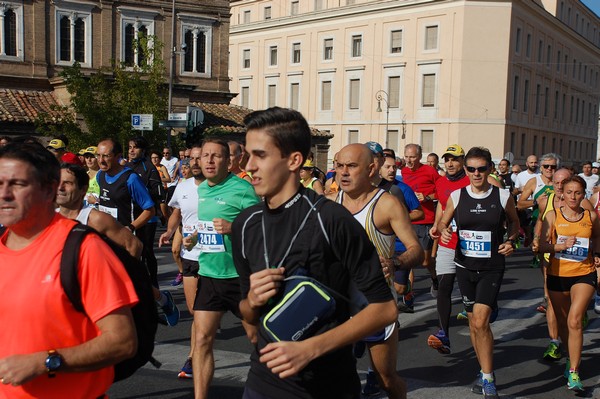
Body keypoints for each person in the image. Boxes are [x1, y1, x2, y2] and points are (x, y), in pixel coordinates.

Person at [231, 107, 397, 399]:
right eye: (248, 155)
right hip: (262, 382)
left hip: (328, 385)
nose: (250, 166)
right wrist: (253, 301)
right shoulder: (245, 225)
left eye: (260, 155)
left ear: (294, 160)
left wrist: (309, 349)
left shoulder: (332, 219)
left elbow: (384, 309)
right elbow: (246, 313)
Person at [0, 141, 138, 398]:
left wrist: (44, 361)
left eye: (17, 184)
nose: (4, 193)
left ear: (49, 190)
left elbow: (123, 341)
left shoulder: (83, 248)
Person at [331, 143, 423, 399]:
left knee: (385, 379)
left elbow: (417, 250)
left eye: (351, 166)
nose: (344, 173)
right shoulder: (328, 203)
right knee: (334, 378)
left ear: (371, 168)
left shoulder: (387, 205)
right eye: (340, 166)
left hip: (374, 304)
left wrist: (394, 263)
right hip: (337, 305)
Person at [436, 146, 519, 399]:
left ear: (489, 169)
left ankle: (488, 377)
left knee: (481, 320)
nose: (475, 173)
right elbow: (442, 221)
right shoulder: (458, 196)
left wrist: (512, 240)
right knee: (474, 323)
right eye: (470, 169)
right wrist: (445, 230)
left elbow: (515, 222)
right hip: (465, 266)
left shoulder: (502, 196)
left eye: (481, 169)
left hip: (492, 267)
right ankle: (483, 370)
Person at [182, 138, 260, 399]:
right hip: (209, 274)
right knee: (202, 340)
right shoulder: (202, 189)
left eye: (216, 156)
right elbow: (204, 227)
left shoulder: (242, 189)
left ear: (229, 161)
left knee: (256, 340)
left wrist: (233, 227)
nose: (210, 161)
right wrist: (192, 238)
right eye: (205, 156)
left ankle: (273, 387)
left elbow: (262, 227)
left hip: (239, 277)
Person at [96, 138, 179, 327]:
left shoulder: (130, 178)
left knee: (133, 282)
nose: (101, 160)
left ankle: (163, 301)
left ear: (117, 157)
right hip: (105, 239)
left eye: (106, 156)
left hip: (128, 240)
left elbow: (149, 209)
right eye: (98, 155)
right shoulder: (100, 176)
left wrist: (130, 227)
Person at [538, 175, 600, 392]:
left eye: (578, 193)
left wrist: (598, 256)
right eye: (569, 192)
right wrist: (559, 247)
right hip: (558, 274)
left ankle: (574, 371)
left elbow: (598, 238)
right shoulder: (553, 217)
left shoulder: (591, 216)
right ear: (562, 194)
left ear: (585, 195)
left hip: (584, 273)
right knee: (564, 323)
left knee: (574, 320)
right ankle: (569, 357)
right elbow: (541, 247)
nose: (574, 197)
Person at [159, 145, 205, 379]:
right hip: (191, 256)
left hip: (216, 257)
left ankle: (195, 354)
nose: (195, 162)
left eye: (200, 158)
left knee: (207, 312)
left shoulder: (218, 186)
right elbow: (176, 211)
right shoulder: (184, 186)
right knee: (195, 311)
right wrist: (169, 231)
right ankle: (196, 353)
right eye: (192, 159)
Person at [427, 144, 471, 354]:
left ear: (463, 161)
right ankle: (443, 334)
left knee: (469, 290)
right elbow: (442, 205)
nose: (450, 163)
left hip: (470, 244)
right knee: (444, 286)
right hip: (447, 241)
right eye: (447, 159)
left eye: (454, 159)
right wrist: (437, 226)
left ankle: (481, 322)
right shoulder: (442, 181)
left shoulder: (472, 180)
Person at [56, 163, 143, 259]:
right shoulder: (48, 218)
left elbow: (134, 246)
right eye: (57, 182)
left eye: (67, 183)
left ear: (83, 189)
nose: (60, 187)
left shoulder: (96, 219)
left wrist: (115, 272)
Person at [402, 143, 440, 297]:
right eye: (407, 157)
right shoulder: (401, 172)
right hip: (406, 220)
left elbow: (442, 192)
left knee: (425, 261)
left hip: (425, 220)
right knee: (408, 259)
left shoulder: (429, 171)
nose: (409, 160)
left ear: (419, 157)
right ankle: (408, 295)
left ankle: (435, 277)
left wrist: (427, 197)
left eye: (412, 157)